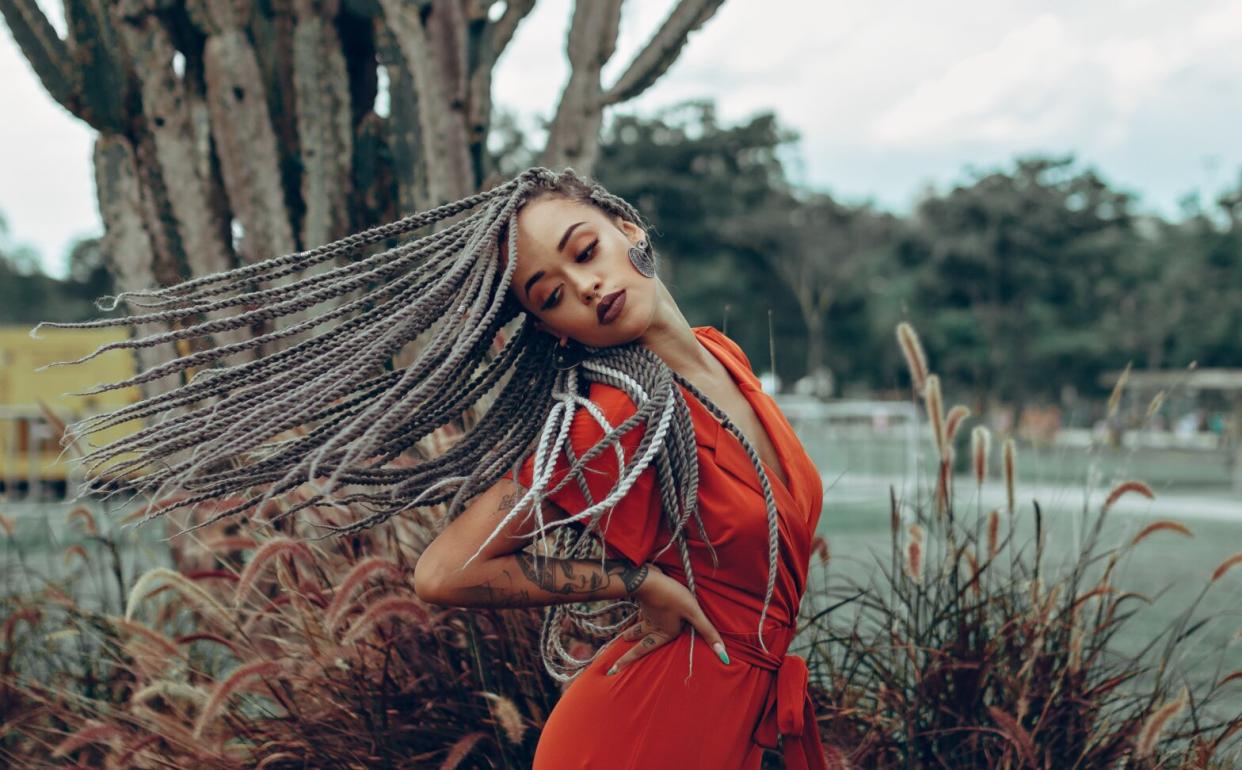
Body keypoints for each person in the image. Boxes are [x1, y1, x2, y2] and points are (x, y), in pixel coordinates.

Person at [35, 167, 834, 768]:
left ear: (624, 225)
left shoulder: (724, 361)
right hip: (645, 730)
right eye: (550, 294)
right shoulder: (612, 419)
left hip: (728, 714)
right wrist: (638, 585)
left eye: (585, 250)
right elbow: (446, 569)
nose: (586, 287)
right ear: (549, 330)